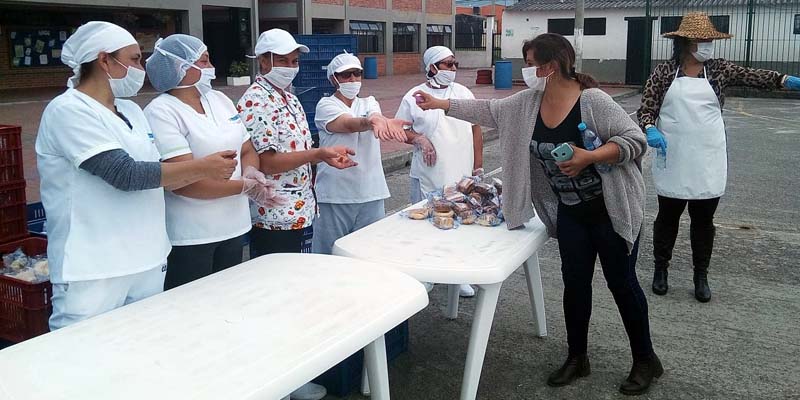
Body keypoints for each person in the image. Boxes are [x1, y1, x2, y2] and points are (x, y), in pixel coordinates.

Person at [415, 33, 662, 395]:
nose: (526, 69)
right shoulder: (528, 103)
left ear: (550, 66)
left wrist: (589, 157)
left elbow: (633, 140)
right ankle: (577, 357)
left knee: (622, 284)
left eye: (530, 62)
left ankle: (645, 360)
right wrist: (440, 103)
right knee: (575, 286)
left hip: (612, 210)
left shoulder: (592, 101)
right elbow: (488, 111)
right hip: (572, 214)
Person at [36, 22, 237, 331]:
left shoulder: (131, 111)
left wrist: (222, 179)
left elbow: (159, 172)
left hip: (147, 258)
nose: (141, 68)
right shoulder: (68, 110)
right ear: (104, 60)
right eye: (133, 59)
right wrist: (202, 167)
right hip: (95, 268)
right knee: (83, 356)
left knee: (142, 349)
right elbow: (124, 174)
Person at [638, 12, 800, 302]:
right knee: (668, 217)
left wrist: (784, 79)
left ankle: (701, 275)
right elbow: (646, 108)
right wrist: (650, 128)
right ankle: (660, 270)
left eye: (711, 39)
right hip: (672, 154)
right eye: (703, 40)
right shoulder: (663, 72)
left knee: (703, 220)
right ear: (687, 42)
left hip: (707, 156)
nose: (708, 45)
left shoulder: (719, 69)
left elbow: (753, 76)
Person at [236, 29, 357, 400]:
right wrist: (318, 155)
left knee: (293, 295)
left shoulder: (286, 97)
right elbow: (268, 161)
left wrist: (322, 161)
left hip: (301, 208)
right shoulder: (256, 101)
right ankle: (280, 381)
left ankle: (291, 372)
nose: (292, 67)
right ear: (264, 61)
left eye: (295, 61)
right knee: (275, 297)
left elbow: (297, 149)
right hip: (274, 214)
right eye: (284, 60)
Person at [143, 34, 283, 290]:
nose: (211, 67)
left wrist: (251, 171)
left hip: (234, 226)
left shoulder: (218, 100)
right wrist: (247, 188)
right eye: (204, 62)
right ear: (181, 68)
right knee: (193, 308)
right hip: (192, 235)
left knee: (227, 301)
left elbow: (246, 147)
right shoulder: (161, 111)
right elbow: (184, 182)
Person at [395, 45, 483, 298]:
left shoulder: (463, 92)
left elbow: (476, 128)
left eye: (454, 64)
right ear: (432, 67)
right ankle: (427, 274)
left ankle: (458, 276)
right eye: (447, 64)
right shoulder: (413, 95)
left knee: (462, 222)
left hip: (461, 172)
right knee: (427, 225)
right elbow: (402, 129)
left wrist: (478, 165)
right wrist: (420, 140)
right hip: (428, 172)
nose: (453, 69)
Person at [311, 52, 408, 255]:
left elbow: (374, 114)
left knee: (370, 253)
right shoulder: (326, 105)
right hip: (336, 194)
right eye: (346, 75)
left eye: (357, 74)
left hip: (371, 192)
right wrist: (370, 122)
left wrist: (378, 119)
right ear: (333, 79)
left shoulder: (369, 102)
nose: (353, 80)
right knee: (329, 254)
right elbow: (347, 124)